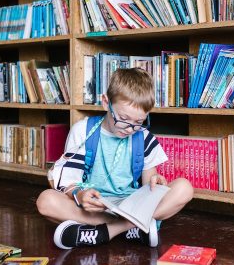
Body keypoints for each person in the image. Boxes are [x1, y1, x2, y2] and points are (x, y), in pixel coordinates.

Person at [36, 68, 193, 249]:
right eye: (123, 118)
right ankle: (135, 227)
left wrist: (155, 182)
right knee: (45, 201)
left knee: (184, 188)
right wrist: (79, 195)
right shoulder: (82, 131)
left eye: (138, 122)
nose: (129, 128)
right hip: (96, 206)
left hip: (131, 205)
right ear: (106, 103)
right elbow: (69, 180)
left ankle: (105, 232)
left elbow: (148, 183)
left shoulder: (144, 137)